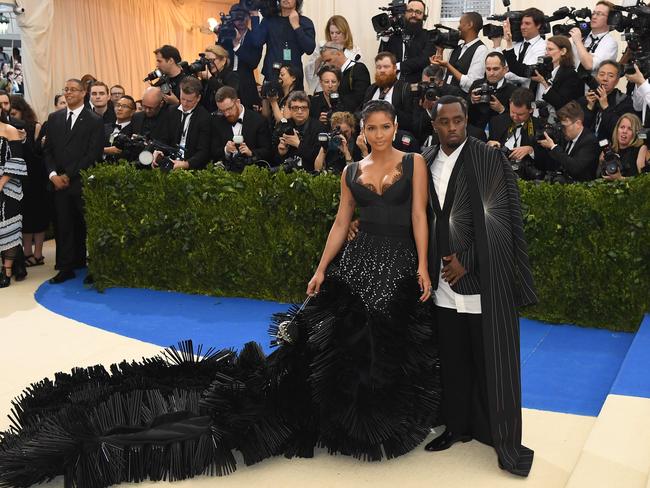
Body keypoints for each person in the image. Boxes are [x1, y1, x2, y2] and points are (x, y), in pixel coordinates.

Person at [0, 102, 442, 488]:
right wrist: (321, 269)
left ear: (395, 126)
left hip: (399, 264)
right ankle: (344, 422)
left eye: (386, 127)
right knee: (341, 349)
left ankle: (380, 423)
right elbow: (342, 224)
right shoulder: (351, 172)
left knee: (388, 344)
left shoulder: (414, 164)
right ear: (363, 131)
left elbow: (420, 216)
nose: (380, 135)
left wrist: (422, 265)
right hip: (358, 264)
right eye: (373, 128)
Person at [420, 95, 537, 477]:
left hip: (479, 277)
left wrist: (466, 260)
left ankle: (494, 432)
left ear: (467, 120)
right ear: (433, 124)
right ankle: (457, 425)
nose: (452, 128)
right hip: (440, 280)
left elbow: (499, 218)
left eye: (458, 121)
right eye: (444, 122)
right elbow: (416, 211)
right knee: (451, 357)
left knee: (488, 356)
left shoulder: (488, 158)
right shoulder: (425, 160)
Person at [43, 79, 104, 284]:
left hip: (80, 181)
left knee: (88, 225)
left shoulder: (94, 120)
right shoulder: (54, 118)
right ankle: (66, 267)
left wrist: (69, 175)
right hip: (58, 183)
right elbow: (48, 150)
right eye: (66, 89)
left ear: (83, 93)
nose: (68, 93)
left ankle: (94, 266)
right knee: (63, 225)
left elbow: (92, 153)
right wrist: (53, 175)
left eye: (73, 90)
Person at [9, 96, 49, 268]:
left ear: (22, 111)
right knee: (25, 218)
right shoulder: (7, 129)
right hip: (18, 178)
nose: (12, 116)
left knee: (39, 216)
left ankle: (38, 254)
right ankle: (27, 253)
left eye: (14, 113)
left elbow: (37, 154)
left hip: (35, 177)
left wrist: (24, 139)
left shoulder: (35, 126)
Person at [248, 0, 316, 82]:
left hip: (294, 77)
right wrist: (255, 16)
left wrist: (296, 26)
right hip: (271, 74)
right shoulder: (269, 20)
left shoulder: (305, 22)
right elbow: (257, 42)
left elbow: (309, 49)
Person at [487, 87, 550, 176]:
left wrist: (531, 151)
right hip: (497, 173)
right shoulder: (497, 121)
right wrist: (489, 145)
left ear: (531, 110)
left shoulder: (540, 127)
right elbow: (488, 147)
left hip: (526, 178)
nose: (515, 117)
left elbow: (548, 162)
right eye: (512, 112)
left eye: (520, 114)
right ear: (509, 103)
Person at [154, 77, 211, 170]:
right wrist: (158, 151)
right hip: (170, 161)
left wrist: (186, 164)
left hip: (192, 167)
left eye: (189, 101)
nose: (184, 103)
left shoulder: (205, 117)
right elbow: (163, 139)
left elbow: (204, 151)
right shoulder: (171, 111)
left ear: (198, 98)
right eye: (182, 98)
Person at [211, 86, 272, 170]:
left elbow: (267, 151)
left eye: (229, 109)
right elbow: (213, 151)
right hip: (226, 174)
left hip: (252, 173)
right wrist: (226, 150)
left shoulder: (258, 121)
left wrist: (251, 153)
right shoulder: (217, 122)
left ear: (238, 102)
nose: (226, 114)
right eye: (222, 111)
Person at [538, 100, 600, 181]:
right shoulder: (565, 137)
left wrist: (553, 147)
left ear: (578, 123)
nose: (562, 130)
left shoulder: (590, 141)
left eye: (564, 127)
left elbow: (575, 167)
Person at [217, 4, 263, 110]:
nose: (240, 22)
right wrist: (219, 35)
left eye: (243, 18)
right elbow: (219, 54)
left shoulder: (255, 38)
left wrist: (237, 45)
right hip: (226, 80)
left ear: (248, 17)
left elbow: (253, 63)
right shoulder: (227, 35)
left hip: (246, 82)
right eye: (237, 19)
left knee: (247, 113)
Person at [378, 0, 435, 83]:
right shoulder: (395, 35)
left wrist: (397, 66)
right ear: (405, 13)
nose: (413, 15)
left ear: (424, 16)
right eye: (410, 11)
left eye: (418, 12)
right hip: (393, 86)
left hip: (417, 87)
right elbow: (381, 59)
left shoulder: (429, 36)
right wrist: (385, 39)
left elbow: (423, 60)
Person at [0, 112, 27, 287]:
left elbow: (17, 159)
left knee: (9, 226)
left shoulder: (9, 129)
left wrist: (2, 182)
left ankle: (7, 270)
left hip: (8, 186)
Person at [431, 12, 487, 94]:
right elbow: (447, 74)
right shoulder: (457, 48)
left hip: (461, 102)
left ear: (469, 25)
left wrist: (448, 65)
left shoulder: (481, 50)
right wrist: (440, 52)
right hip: (445, 97)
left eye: (460, 23)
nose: (458, 27)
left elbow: (472, 84)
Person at [304, 15, 362, 94]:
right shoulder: (322, 45)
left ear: (345, 33)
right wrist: (322, 57)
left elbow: (358, 73)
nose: (334, 36)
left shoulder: (355, 50)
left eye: (338, 33)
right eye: (332, 33)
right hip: (322, 90)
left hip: (344, 90)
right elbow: (309, 70)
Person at [578, 61, 634, 142]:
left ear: (617, 80)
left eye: (610, 76)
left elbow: (620, 130)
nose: (605, 79)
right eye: (601, 74)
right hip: (585, 146)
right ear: (596, 77)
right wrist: (589, 108)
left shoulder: (624, 101)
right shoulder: (586, 99)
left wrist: (606, 107)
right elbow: (577, 128)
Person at [362, 52, 414, 133]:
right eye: (379, 67)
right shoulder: (371, 89)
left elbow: (411, 120)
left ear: (395, 68)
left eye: (386, 67)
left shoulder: (405, 89)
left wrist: (388, 109)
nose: (382, 70)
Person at [531, 36, 584, 113]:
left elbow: (561, 103)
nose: (546, 53)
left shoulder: (571, 74)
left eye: (550, 49)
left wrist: (544, 82)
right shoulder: (546, 69)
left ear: (563, 51)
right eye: (546, 49)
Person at [275, 91, 325, 171]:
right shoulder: (283, 125)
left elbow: (317, 157)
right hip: (286, 173)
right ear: (290, 109)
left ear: (309, 109)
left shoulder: (318, 128)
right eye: (295, 108)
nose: (299, 111)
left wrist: (298, 144)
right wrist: (281, 153)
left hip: (309, 173)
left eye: (303, 108)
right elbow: (273, 160)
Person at [499, 8, 547, 90]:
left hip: (530, 95)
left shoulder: (543, 46)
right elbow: (501, 65)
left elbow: (525, 75)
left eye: (527, 24)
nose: (522, 27)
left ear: (538, 25)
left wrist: (506, 74)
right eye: (521, 24)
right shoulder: (515, 44)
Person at [468, 52, 517, 133]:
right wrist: (471, 100)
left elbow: (518, 119)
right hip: (475, 133)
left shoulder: (513, 91)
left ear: (505, 69)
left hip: (500, 134)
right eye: (488, 69)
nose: (491, 73)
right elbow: (464, 111)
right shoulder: (476, 85)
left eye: (495, 69)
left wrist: (502, 109)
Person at [320, 42, 371, 114]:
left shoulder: (358, 69)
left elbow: (360, 98)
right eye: (325, 62)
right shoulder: (333, 73)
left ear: (338, 53)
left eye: (329, 60)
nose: (327, 64)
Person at [570, 1, 618, 75]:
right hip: (572, 83)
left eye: (599, 14)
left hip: (590, 86)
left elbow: (589, 65)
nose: (594, 17)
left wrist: (578, 42)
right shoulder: (582, 36)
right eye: (593, 13)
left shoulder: (610, 43)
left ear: (610, 19)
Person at [598, 113, 648, 179]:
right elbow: (598, 178)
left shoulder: (640, 150)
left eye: (630, 129)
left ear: (636, 133)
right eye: (622, 127)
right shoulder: (608, 151)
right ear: (617, 129)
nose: (624, 131)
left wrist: (620, 178)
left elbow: (643, 182)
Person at [199, 44, 240, 114]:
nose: (209, 64)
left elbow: (228, 94)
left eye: (212, 60)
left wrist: (210, 78)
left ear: (223, 60)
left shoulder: (232, 76)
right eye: (207, 61)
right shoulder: (209, 76)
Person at [103, 96, 136, 163]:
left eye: (124, 106)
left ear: (132, 111)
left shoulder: (134, 131)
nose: (119, 108)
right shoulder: (104, 128)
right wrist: (105, 150)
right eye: (118, 105)